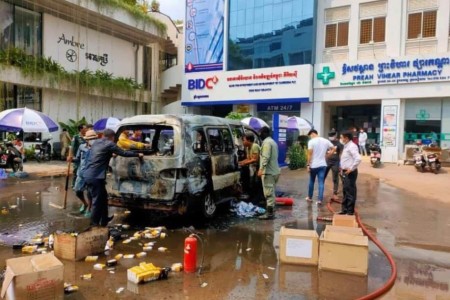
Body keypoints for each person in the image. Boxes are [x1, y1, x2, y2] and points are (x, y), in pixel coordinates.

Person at [83, 129, 144, 226]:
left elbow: (99, 154)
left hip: (88, 175)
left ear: (103, 135)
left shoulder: (97, 142)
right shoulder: (110, 144)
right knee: (97, 201)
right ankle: (94, 225)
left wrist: (111, 154)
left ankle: (104, 220)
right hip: (96, 177)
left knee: (103, 198)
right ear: (112, 137)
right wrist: (138, 154)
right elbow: (124, 153)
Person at [306, 129, 336, 205]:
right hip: (323, 165)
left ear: (312, 134)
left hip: (314, 165)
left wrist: (308, 165)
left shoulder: (311, 142)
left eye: (310, 136)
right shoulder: (325, 140)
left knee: (312, 181)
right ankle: (319, 200)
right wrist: (328, 155)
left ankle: (309, 197)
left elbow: (309, 154)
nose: (310, 137)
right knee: (321, 182)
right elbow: (334, 148)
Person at [257, 127, 280, 220]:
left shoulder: (266, 143)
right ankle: (271, 211)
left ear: (264, 133)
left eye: (260, 133)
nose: (260, 136)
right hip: (275, 171)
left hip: (268, 172)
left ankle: (269, 214)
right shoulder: (273, 142)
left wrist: (261, 169)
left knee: (269, 194)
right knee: (271, 192)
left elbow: (265, 157)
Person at [73, 129, 97, 217]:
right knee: (77, 191)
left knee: (89, 192)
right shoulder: (81, 147)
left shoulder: (98, 148)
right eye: (89, 139)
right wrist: (71, 159)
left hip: (91, 174)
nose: (91, 140)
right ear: (86, 139)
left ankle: (89, 208)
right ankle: (85, 203)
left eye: (93, 138)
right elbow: (77, 159)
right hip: (81, 173)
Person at [338, 131, 362, 215]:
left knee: (350, 191)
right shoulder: (346, 146)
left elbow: (358, 158)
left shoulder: (352, 146)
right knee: (345, 191)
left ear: (346, 138)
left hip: (350, 172)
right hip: (344, 171)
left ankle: (350, 211)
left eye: (342, 137)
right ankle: (344, 210)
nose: (341, 139)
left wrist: (351, 169)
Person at [239, 132, 264, 205]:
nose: (243, 142)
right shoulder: (248, 148)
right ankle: (255, 198)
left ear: (249, 140)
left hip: (260, 167)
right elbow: (248, 158)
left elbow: (255, 159)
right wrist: (240, 162)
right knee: (253, 182)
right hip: (255, 168)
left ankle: (260, 199)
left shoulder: (254, 146)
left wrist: (244, 163)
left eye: (244, 140)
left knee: (257, 183)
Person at [325, 130, 343, 201]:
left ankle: (335, 193)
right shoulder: (326, 142)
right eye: (330, 136)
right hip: (326, 162)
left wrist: (340, 164)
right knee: (323, 176)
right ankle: (321, 191)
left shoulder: (339, 144)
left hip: (335, 162)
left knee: (335, 178)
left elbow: (341, 154)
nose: (331, 137)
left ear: (335, 135)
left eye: (332, 135)